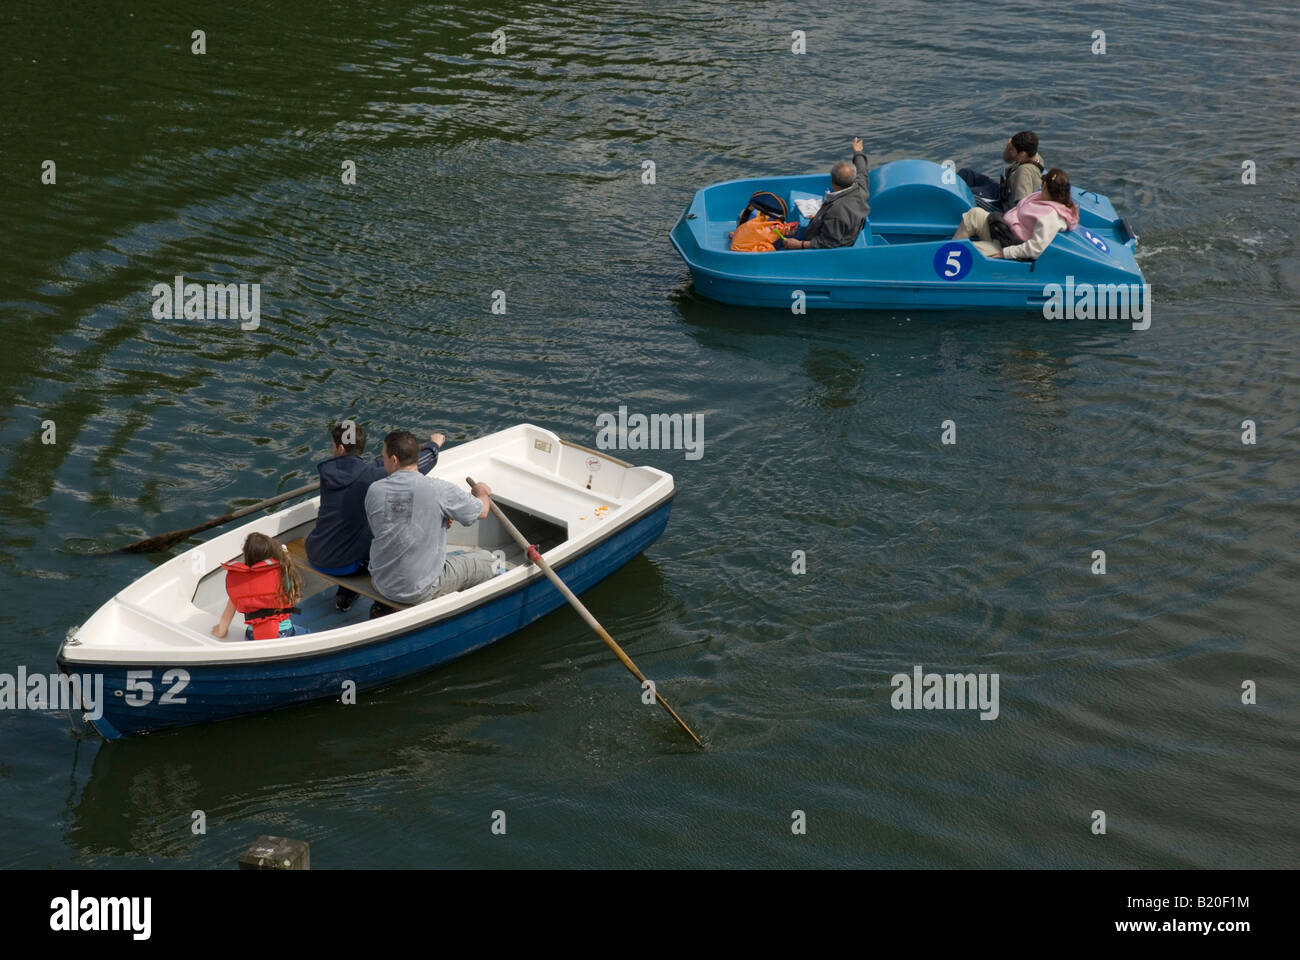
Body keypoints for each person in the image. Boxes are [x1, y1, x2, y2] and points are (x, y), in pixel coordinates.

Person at [304, 421, 444, 611]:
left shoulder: (327, 473)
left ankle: (344, 597)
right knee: (389, 544)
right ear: (362, 446)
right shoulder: (370, 476)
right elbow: (416, 467)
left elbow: (367, 468)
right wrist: (434, 445)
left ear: (340, 448)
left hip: (316, 552)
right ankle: (382, 605)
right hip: (345, 564)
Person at [365, 430, 499, 618]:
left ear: (394, 460)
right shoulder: (439, 490)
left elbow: (396, 525)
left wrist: (438, 518)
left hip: (381, 582)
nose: (383, 461)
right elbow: (482, 511)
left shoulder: (375, 490)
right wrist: (481, 492)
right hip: (418, 590)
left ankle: (386, 606)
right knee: (490, 560)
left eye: (383, 457)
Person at [952, 167, 1080, 260]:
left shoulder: (1051, 216)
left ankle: (948, 259)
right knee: (975, 214)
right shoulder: (1042, 197)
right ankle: (949, 248)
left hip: (1011, 246)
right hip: (1003, 232)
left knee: (968, 251)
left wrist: (1006, 253)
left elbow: (1035, 249)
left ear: (1046, 186)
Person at [212, 532, 311, 640]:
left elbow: (226, 618)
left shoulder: (241, 584)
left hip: (253, 637)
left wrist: (220, 631)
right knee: (307, 633)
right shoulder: (281, 575)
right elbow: (295, 600)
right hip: (283, 633)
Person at [780, 137, 871, 250]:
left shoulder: (836, 212)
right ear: (853, 179)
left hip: (836, 241)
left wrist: (799, 245)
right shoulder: (861, 188)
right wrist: (858, 152)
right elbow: (862, 170)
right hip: (848, 227)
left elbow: (828, 242)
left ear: (833, 182)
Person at [957, 131, 1044, 211]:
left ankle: (949, 205)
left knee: (968, 193)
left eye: (1012, 149)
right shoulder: (1033, 155)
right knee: (966, 173)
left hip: (1002, 206)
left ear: (1022, 154)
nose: (1009, 150)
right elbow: (1007, 158)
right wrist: (1010, 147)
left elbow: (1021, 205)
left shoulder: (1024, 172)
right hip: (1001, 191)